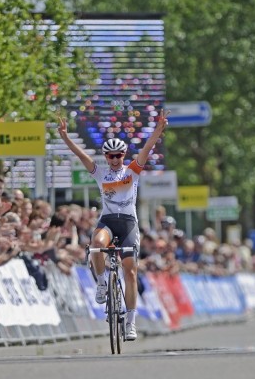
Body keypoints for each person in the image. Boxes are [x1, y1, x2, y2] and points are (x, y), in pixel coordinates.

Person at [57, 108, 169, 341]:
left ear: (124, 155)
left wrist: (158, 130)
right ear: (106, 158)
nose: (116, 159)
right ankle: (101, 283)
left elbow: (147, 149)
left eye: (119, 155)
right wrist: (66, 137)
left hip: (128, 224)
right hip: (107, 221)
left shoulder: (132, 171)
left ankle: (130, 322)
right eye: (111, 156)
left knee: (130, 271)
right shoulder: (100, 174)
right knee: (96, 245)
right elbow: (82, 156)